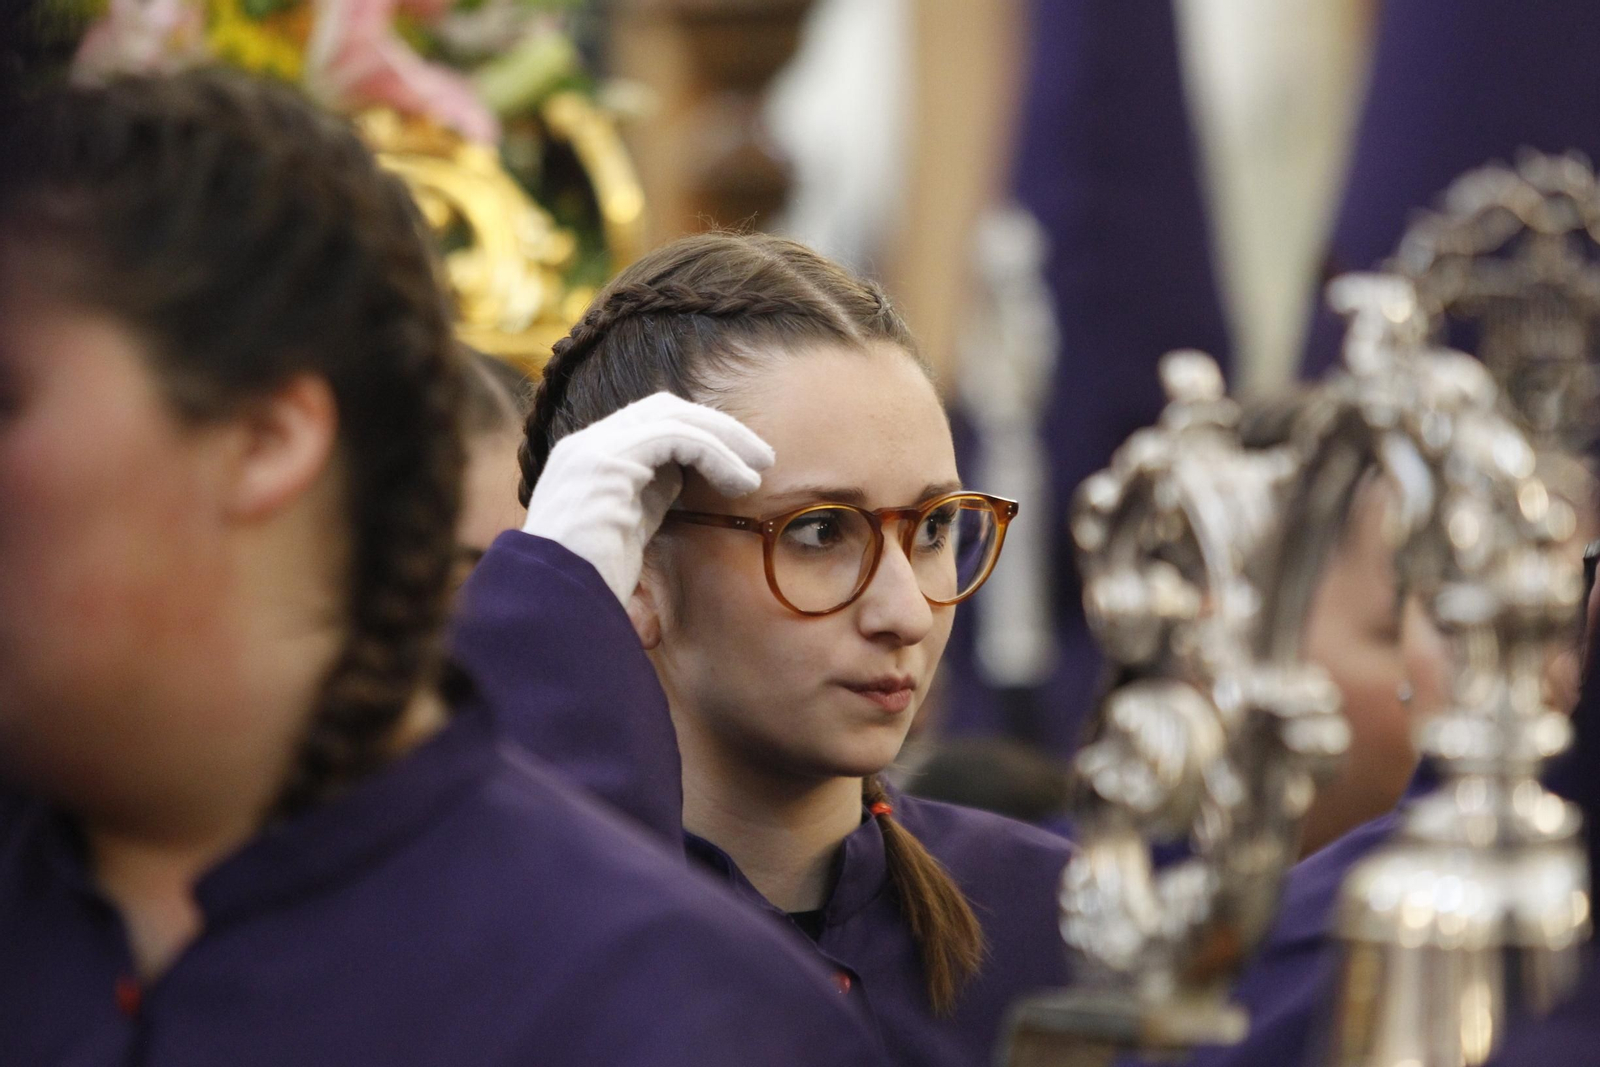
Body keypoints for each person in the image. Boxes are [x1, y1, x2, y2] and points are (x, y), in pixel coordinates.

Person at [0, 71, 885, 1067]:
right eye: (821, 530)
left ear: (265, 437)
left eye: (10, 397)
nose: (897, 607)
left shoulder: (675, 1010)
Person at [486, 231, 1076, 1065]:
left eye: (936, 526)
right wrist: (550, 601)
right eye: (820, 530)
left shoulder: (1057, 917)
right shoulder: (486, 932)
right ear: (638, 568)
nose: (905, 610)